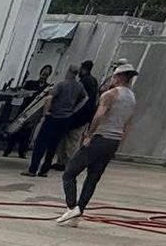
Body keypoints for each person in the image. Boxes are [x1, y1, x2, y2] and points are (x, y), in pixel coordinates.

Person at [57, 61, 138, 225]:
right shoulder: (131, 97)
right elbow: (128, 122)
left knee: (70, 172)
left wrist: (89, 134)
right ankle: (78, 211)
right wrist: (120, 141)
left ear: (119, 76)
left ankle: (72, 207)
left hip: (100, 137)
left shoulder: (110, 95)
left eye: (114, 75)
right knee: (93, 177)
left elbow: (99, 115)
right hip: (113, 141)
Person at [26, 64, 88, 175]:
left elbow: (49, 97)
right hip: (66, 118)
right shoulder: (79, 86)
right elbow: (85, 98)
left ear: (68, 71)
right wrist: (74, 109)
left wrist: (46, 112)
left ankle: (33, 169)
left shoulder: (61, 84)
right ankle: (44, 170)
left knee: (41, 143)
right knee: (53, 145)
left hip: (53, 117)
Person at [55, 60, 102, 169]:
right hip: (84, 117)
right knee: (71, 140)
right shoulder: (93, 81)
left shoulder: (84, 82)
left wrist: (73, 112)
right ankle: (64, 162)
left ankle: (68, 163)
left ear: (84, 69)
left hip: (78, 117)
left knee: (71, 141)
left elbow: (81, 99)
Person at [2, 65, 53, 157]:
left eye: (47, 72)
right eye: (44, 71)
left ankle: (22, 151)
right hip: (24, 109)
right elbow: (22, 93)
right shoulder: (30, 83)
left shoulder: (47, 87)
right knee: (16, 129)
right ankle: (8, 149)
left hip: (34, 112)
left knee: (27, 131)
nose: (44, 74)